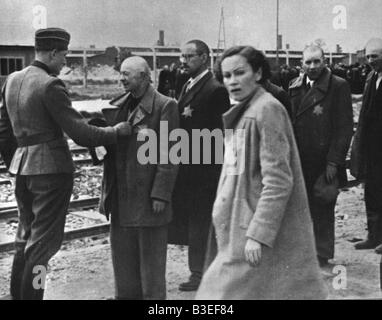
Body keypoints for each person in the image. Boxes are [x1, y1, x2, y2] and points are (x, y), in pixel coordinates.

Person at [0, 28, 132, 300]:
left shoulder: (13, 79)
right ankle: (33, 296)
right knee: (43, 246)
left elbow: (4, 130)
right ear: (52, 53)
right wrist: (116, 132)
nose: (65, 62)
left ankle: (18, 296)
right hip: (52, 172)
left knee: (24, 238)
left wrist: (19, 160)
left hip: (23, 170)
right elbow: (82, 134)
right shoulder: (50, 84)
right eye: (64, 55)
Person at [195, 46, 327, 300]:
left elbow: (278, 180)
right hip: (239, 227)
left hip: (251, 233)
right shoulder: (246, 110)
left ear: (257, 73)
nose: (232, 81)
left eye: (239, 73)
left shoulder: (266, 110)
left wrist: (258, 234)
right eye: (226, 76)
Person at [88, 56, 179, 299]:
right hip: (121, 196)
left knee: (151, 272)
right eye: (121, 73)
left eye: (127, 74)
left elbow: (170, 154)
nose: (121, 78)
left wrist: (161, 193)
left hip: (149, 199)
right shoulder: (118, 105)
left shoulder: (165, 105)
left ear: (143, 76)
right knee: (124, 265)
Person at [168, 39, 230, 291]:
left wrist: (214, 171)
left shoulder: (215, 90)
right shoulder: (189, 84)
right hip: (189, 166)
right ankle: (199, 271)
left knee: (201, 223)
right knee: (195, 221)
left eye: (189, 56)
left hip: (204, 170)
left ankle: (202, 274)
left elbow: (221, 135)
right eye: (182, 56)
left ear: (205, 57)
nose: (183, 61)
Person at [288, 45, 354, 267]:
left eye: (317, 61)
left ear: (325, 61)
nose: (313, 67)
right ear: (302, 64)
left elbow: (344, 128)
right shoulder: (295, 86)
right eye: (308, 62)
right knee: (300, 205)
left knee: (323, 203)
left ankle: (322, 252)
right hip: (300, 158)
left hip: (324, 159)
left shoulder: (338, 86)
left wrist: (334, 161)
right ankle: (304, 249)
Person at [351, 38, 382, 253]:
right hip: (373, 147)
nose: (372, 61)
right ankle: (374, 236)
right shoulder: (372, 77)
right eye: (369, 56)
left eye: (376, 56)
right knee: (372, 191)